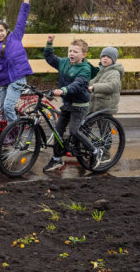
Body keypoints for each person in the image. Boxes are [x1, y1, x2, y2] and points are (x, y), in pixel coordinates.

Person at [41, 36, 101, 172]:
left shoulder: (85, 69)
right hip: (67, 103)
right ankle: (57, 159)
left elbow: (78, 84)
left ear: (83, 55)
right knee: (58, 131)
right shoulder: (64, 62)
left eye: (75, 52)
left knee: (74, 131)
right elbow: (50, 58)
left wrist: (63, 90)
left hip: (79, 106)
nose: (71, 54)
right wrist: (49, 43)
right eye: (70, 51)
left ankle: (95, 151)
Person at [88, 47, 123, 115]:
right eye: (103, 56)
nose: (105, 58)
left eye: (109, 57)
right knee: (87, 122)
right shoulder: (100, 70)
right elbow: (93, 81)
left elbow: (112, 86)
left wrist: (94, 87)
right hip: (96, 104)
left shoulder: (115, 73)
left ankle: (110, 126)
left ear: (113, 60)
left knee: (104, 125)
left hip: (106, 106)